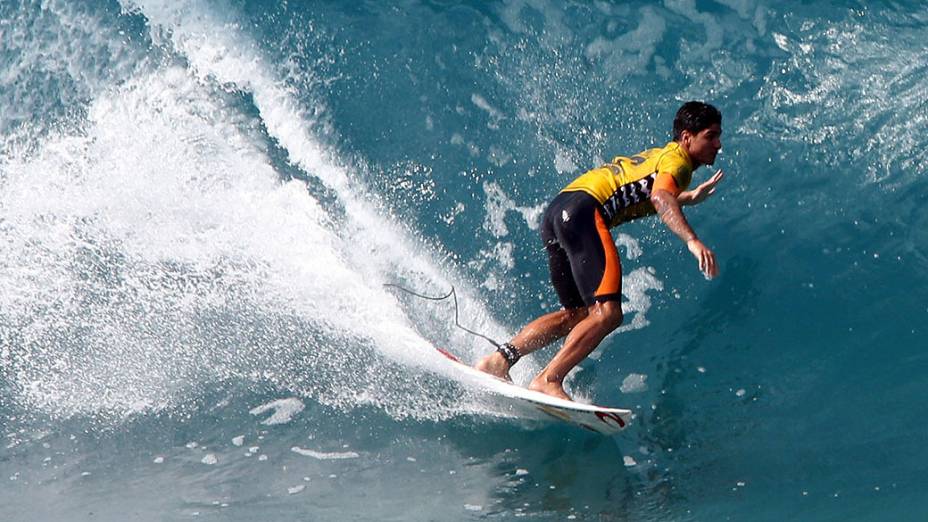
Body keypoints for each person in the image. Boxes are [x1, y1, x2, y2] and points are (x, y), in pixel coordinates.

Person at [475, 101, 725, 400]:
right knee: (608, 314)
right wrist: (691, 240)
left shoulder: (663, 156)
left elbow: (645, 191)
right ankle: (548, 379)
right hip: (584, 213)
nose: (718, 144)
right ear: (687, 137)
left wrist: (688, 196)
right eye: (710, 136)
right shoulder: (679, 162)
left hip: (559, 211)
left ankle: (498, 360)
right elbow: (660, 197)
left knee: (577, 314)